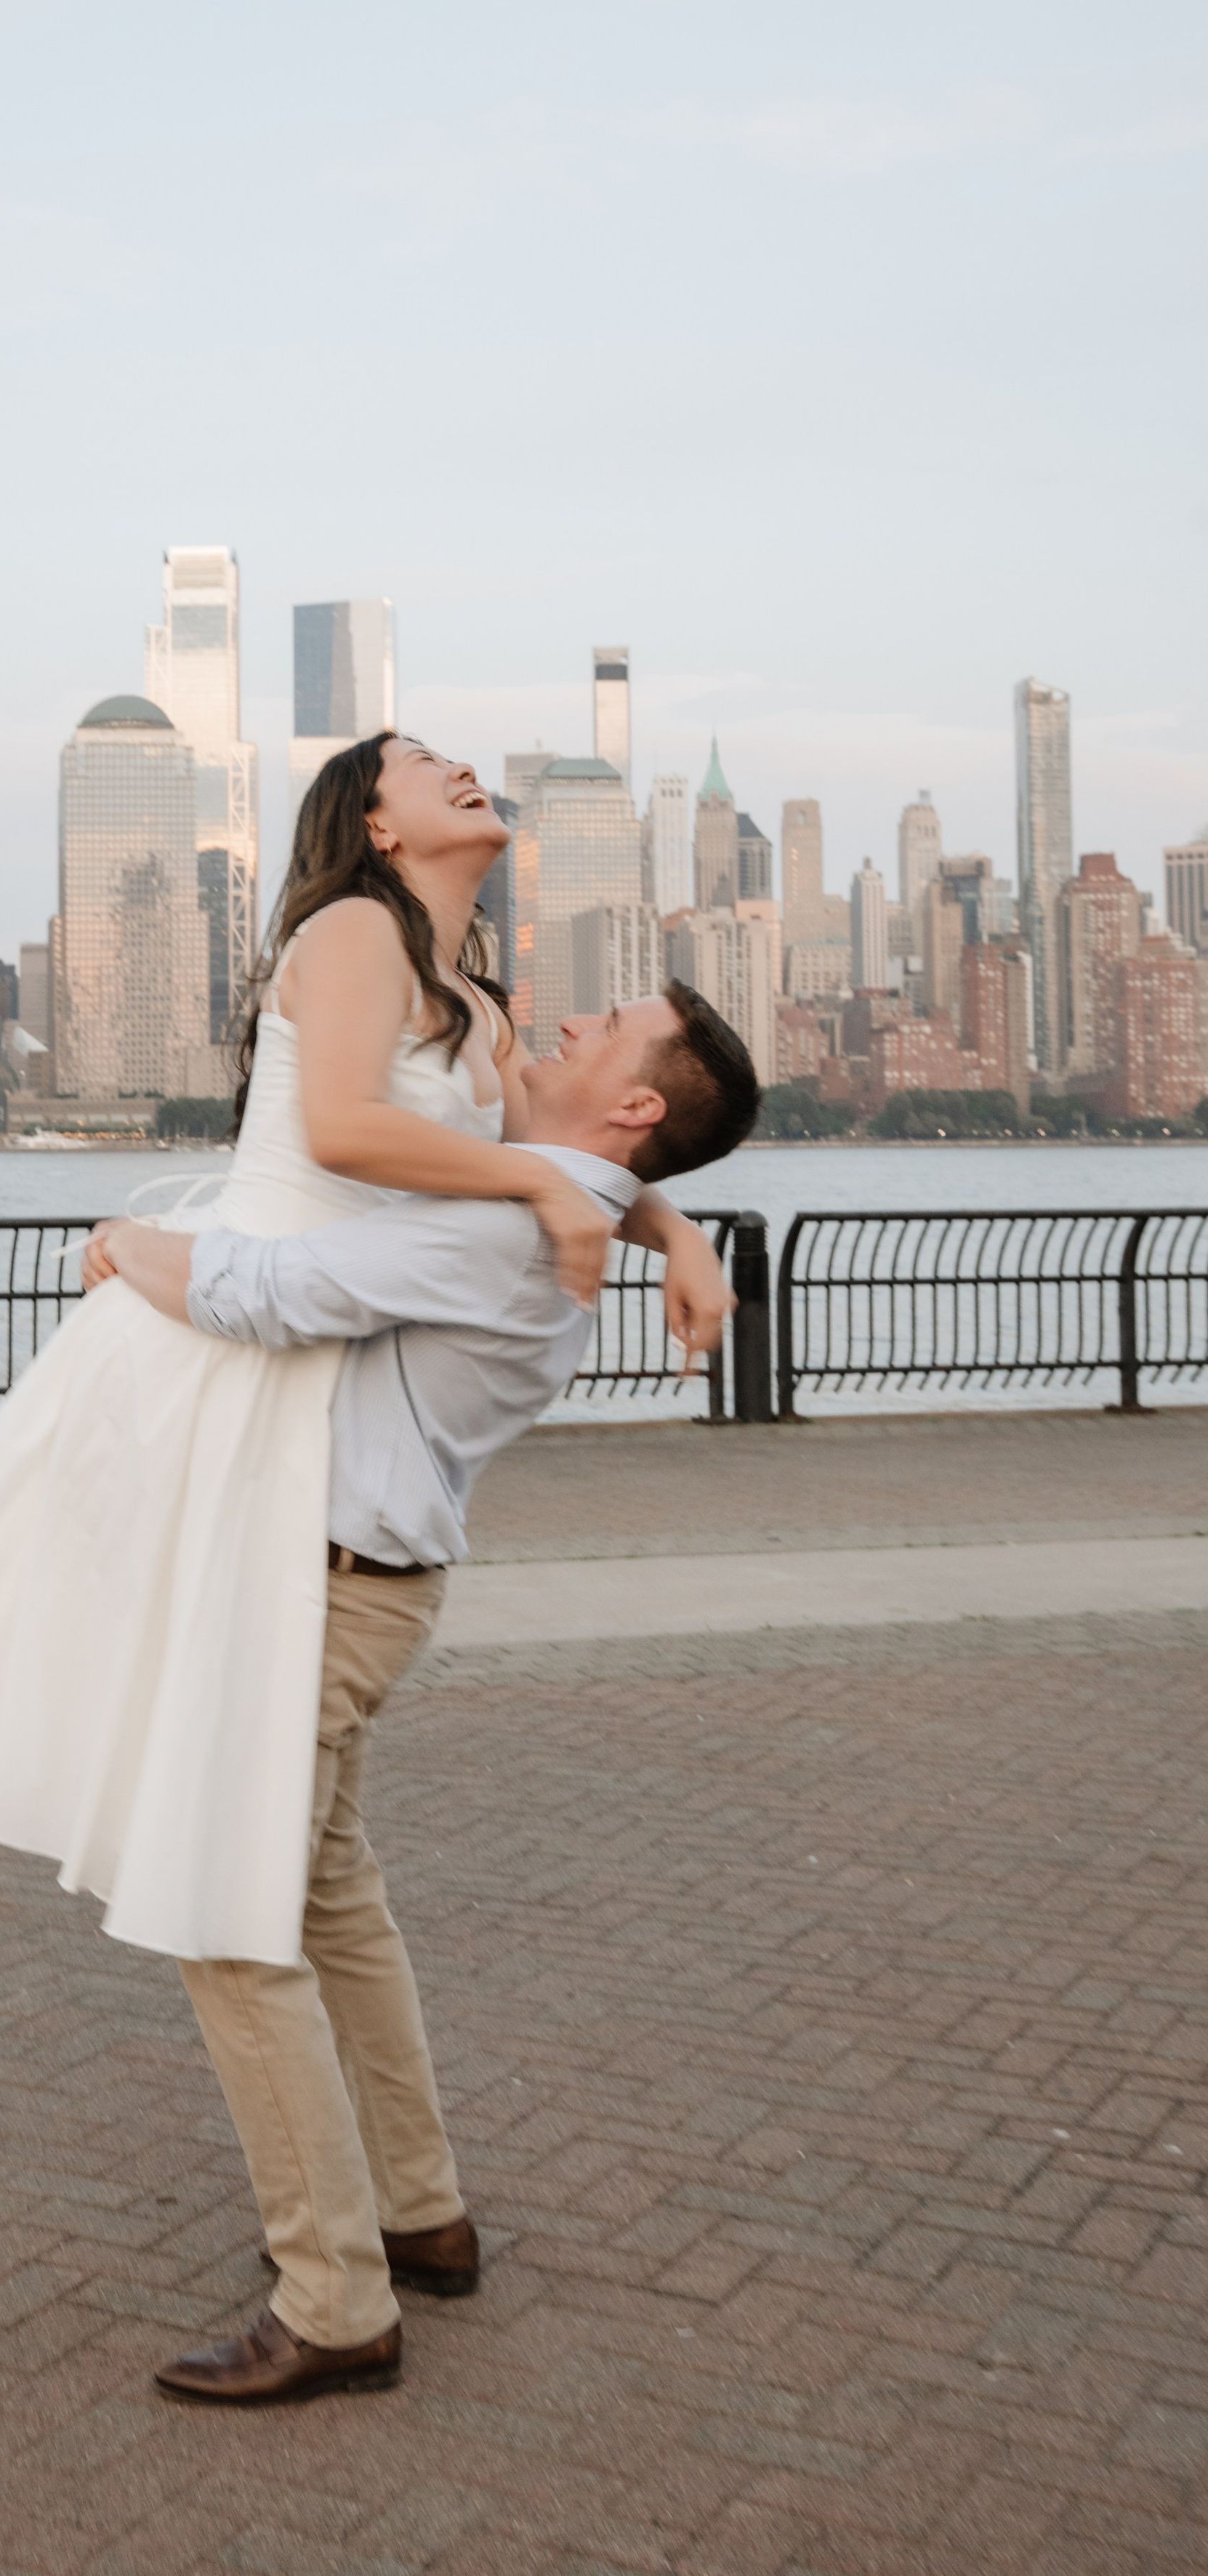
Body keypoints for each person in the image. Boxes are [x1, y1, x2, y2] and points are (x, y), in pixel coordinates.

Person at [0, 738, 727, 1941]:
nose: (457, 764)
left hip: (281, 1338)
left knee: (54, 1597)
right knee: (49, 1615)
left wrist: (675, 1234)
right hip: (217, 1324)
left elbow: (565, 1154)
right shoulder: (360, 931)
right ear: (377, 827)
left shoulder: (473, 1006)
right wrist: (555, 1192)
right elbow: (348, 1130)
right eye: (419, 762)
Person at [76, 980, 760, 2402]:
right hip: (370, 1585)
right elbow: (588, 1178)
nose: (567, 1024)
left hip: (321, 1597)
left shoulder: (507, 1220)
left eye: (605, 1028)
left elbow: (260, 1294)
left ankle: (334, 2300)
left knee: (224, 1920)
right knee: (330, 1899)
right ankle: (418, 2211)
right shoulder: (553, 1200)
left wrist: (126, 1244)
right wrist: (680, 1225)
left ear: (635, 1103)